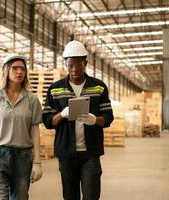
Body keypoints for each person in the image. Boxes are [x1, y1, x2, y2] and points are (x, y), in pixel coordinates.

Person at [42, 40, 114, 200]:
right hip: (66, 153)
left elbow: (108, 118)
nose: (74, 69)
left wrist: (95, 119)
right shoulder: (55, 89)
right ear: (65, 64)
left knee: (91, 195)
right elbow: (47, 120)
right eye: (70, 65)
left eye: (78, 65)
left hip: (91, 153)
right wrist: (62, 114)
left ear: (85, 63)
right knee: (70, 196)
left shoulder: (98, 87)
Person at [0, 54, 43, 200]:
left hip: (23, 157)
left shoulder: (32, 100)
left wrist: (37, 162)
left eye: (22, 69)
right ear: (6, 70)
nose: (19, 72)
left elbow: (35, 131)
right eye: (15, 68)